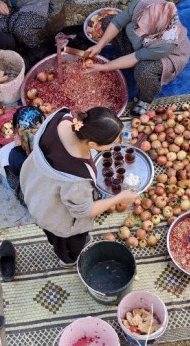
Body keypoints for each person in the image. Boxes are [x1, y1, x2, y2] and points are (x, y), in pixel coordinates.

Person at [20, 107, 139, 266]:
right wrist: (118, 198)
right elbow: (85, 211)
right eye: (112, 142)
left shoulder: (63, 118)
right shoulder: (77, 179)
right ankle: (68, 259)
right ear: (91, 144)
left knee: (55, 232)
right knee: (66, 241)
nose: (115, 144)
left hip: (35, 183)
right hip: (52, 213)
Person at [83, 0, 190, 116]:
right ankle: (122, 58)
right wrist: (99, 45)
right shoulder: (145, 3)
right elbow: (117, 22)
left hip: (164, 58)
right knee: (108, 22)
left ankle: (145, 99)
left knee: (144, 70)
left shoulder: (166, 43)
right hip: (140, 47)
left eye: (143, 30)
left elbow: (136, 57)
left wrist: (105, 67)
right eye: (140, 24)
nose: (138, 29)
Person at [0, 105, 45, 203]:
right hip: (53, 191)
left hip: (36, 198)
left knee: (3, 155)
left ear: (16, 130)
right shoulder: (57, 140)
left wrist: (17, 148)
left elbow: (16, 171)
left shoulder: (16, 156)